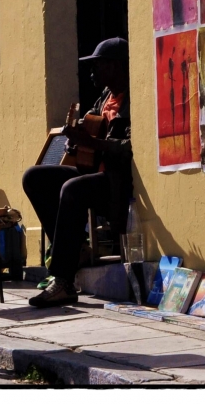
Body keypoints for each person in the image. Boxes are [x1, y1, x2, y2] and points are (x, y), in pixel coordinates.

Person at [23, 37, 133, 308]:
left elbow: (130, 149)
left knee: (72, 189)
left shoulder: (132, 99)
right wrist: (76, 139)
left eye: (99, 65)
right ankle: (78, 249)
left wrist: (92, 142)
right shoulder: (103, 99)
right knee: (34, 177)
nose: (93, 72)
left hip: (118, 182)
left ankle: (63, 280)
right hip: (96, 172)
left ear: (116, 67)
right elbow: (91, 130)